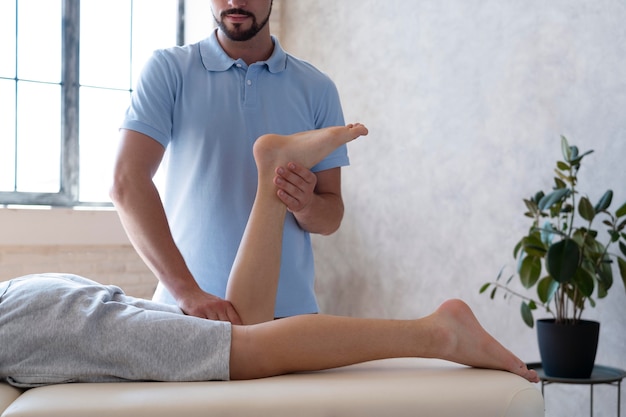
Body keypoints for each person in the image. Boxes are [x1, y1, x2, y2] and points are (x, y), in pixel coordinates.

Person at [0, 124, 539, 386]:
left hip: (25, 324)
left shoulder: (308, 82)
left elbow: (332, 215)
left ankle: (438, 333)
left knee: (249, 350)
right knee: (244, 330)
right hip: (29, 304)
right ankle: (271, 170)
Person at [110, 0, 349, 323]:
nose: (236, 2)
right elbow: (126, 182)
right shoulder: (169, 69)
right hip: (186, 312)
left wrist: (305, 203)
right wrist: (188, 293)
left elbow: (331, 215)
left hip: (286, 316)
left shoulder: (317, 88)